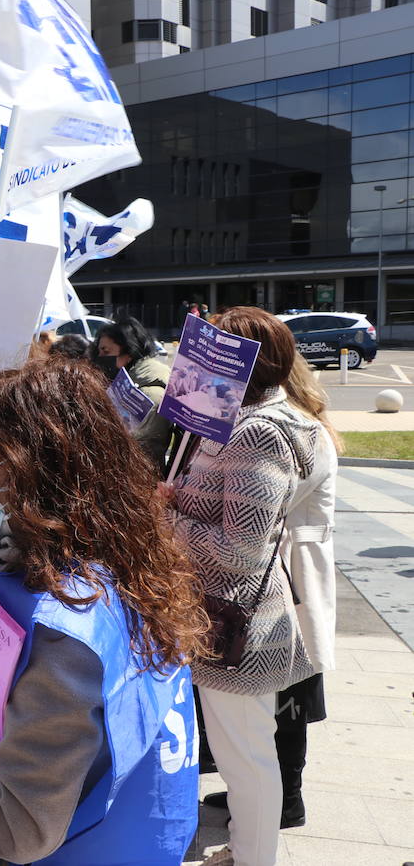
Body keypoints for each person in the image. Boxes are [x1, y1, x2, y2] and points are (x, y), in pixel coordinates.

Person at [0, 357, 209, 865]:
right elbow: (9, 656)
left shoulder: (65, 638)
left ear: (27, 475)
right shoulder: (120, 557)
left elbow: (20, 826)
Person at [163, 306, 321, 866]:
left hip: (240, 628)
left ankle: (256, 859)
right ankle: (249, 849)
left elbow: (241, 549)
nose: (200, 358)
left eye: (215, 348)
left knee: (245, 757)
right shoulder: (237, 420)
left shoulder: (258, 434)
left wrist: (166, 520)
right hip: (224, 619)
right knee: (241, 754)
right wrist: (176, 497)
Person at [200, 355, 340, 832]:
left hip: (285, 577)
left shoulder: (281, 432)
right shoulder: (288, 425)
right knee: (264, 717)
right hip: (276, 571)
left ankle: (282, 799)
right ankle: (262, 800)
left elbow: (249, 529)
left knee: (285, 703)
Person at [95, 317, 174, 472]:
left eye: (106, 351)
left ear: (128, 352)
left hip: (140, 480)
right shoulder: (125, 382)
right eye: (99, 351)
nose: (100, 357)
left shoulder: (150, 392)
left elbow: (133, 446)